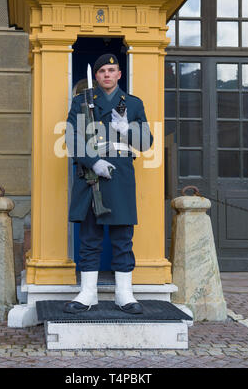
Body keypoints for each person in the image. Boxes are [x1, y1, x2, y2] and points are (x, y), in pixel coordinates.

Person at [64, 54, 153, 314]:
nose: (106, 74)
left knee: (122, 237)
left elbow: (146, 143)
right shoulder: (81, 102)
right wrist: (93, 162)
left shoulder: (133, 104)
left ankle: (124, 294)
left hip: (120, 174)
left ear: (119, 74)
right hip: (91, 176)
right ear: (97, 75)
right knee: (90, 236)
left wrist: (127, 130)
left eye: (111, 70)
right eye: (102, 70)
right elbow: (72, 136)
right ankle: (88, 293)